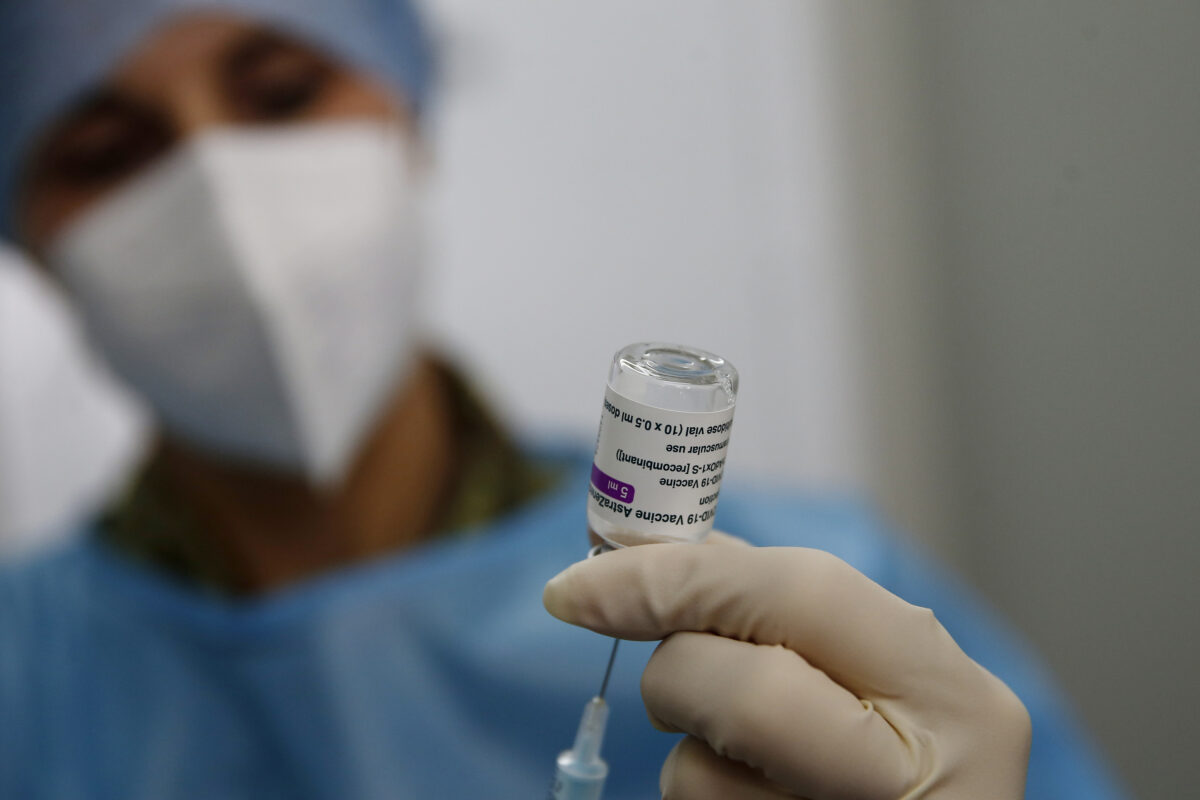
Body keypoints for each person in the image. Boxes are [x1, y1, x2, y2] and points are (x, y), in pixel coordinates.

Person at [0, 2, 1126, 798]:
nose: (224, 196)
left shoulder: (813, 598)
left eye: (286, 93)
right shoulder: (23, 683)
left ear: (408, 116)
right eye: (103, 151)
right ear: (29, 241)